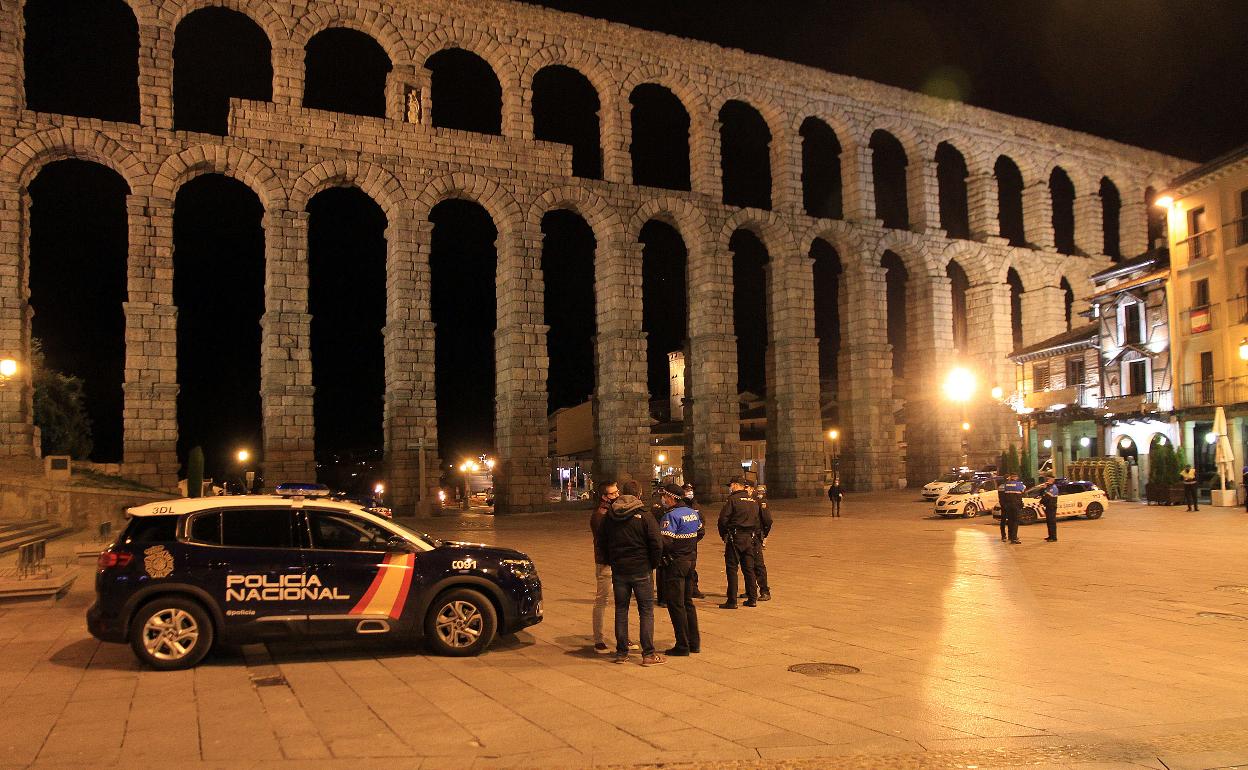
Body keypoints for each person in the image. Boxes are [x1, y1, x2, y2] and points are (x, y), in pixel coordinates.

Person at [601, 480, 666, 665]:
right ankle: (648, 654)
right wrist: (653, 563)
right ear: (639, 494)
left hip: (620, 570)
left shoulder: (610, 515)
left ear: (622, 494)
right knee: (646, 611)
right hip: (641, 569)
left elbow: (603, 541)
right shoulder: (645, 515)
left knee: (621, 610)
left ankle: (621, 653)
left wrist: (611, 561)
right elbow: (657, 543)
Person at [589, 481, 637, 654]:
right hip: (606, 563)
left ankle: (623, 637)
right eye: (612, 493)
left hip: (619, 562)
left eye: (617, 492)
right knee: (602, 601)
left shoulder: (616, 511)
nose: (617, 495)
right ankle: (598, 639)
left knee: (622, 602)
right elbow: (604, 541)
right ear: (604, 496)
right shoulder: (600, 515)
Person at [658, 483, 703, 655]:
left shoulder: (671, 516)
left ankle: (682, 645)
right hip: (690, 560)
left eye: (665, 497)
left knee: (676, 604)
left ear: (671, 498)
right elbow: (701, 532)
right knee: (688, 603)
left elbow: (666, 542)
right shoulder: (692, 513)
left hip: (675, 563)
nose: (663, 500)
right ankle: (694, 642)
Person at [717, 477, 760, 608]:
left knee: (732, 569)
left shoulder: (732, 500)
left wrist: (724, 534)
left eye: (731, 485)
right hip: (749, 538)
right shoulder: (753, 500)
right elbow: (757, 520)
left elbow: (723, 519)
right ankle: (752, 598)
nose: (730, 488)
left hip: (735, 538)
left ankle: (732, 600)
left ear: (736, 485)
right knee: (749, 569)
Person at [744, 483, 773, 601]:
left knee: (758, 565)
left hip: (756, 536)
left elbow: (768, 520)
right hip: (746, 537)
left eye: (746, 488)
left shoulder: (760, 501)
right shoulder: (745, 500)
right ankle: (750, 590)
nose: (745, 490)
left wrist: (763, 535)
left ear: (751, 489)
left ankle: (764, 590)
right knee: (747, 564)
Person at [682, 484, 707, 599]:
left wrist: (695, 538)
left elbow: (702, 522)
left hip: (693, 541)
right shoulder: (681, 506)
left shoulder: (696, 505)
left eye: (691, 490)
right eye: (687, 490)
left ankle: (693, 588)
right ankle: (685, 588)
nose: (689, 492)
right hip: (683, 541)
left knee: (692, 565)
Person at [999, 472, 1025, 544]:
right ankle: (1014, 538)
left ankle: (1010, 536)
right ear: (1016, 477)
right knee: (1015, 521)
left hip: (1008, 505)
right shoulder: (1019, 484)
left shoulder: (1006, 484)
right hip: (1016, 505)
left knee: (1010, 521)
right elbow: (1023, 491)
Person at [1041, 476, 1059, 542]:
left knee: (1052, 522)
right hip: (1048, 506)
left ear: (1052, 480)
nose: (1047, 480)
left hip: (1052, 506)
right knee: (1049, 522)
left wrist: (1041, 501)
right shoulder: (1048, 487)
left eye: (1048, 479)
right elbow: (1043, 494)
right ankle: (1050, 536)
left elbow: (1047, 497)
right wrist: (1044, 488)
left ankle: (1054, 537)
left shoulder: (1053, 488)